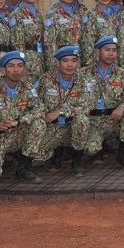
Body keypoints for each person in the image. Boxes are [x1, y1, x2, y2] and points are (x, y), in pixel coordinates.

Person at [0, 51, 44, 185]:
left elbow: (40, 109)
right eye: (11, 66)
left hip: (17, 135)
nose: (16, 70)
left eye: (20, 66)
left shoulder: (28, 89)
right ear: (3, 70)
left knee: (38, 124)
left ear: (24, 70)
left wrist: (20, 121)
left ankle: (24, 168)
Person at [36, 45, 91, 176]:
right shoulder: (46, 79)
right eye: (65, 61)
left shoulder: (83, 81)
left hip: (71, 128)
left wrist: (60, 112)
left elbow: (86, 106)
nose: (70, 64)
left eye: (73, 60)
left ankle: (77, 161)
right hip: (51, 128)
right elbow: (35, 102)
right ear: (58, 63)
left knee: (82, 120)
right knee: (36, 157)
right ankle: (56, 154)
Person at [81, 36, 124, 168]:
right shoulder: (83, 74)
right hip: (92, 121)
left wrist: (121, 107)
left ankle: (122, 156)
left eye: (114, 50)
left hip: (113, 119)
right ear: (98, 52)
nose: (111, 54)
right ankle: (94, 150)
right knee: (91, 148)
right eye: (107, 50)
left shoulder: (123, 75)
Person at [43, 0, 84, 72]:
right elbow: (49, 43)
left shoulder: (76, 13)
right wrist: (52, 68)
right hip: (61, 61)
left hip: (76, 59)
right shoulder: (53, 14)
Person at [9, 0, 45, 84]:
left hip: (39, 62)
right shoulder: (17, 15)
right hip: (27, 63)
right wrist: (21, 68)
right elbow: (17, 44)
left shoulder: (38, 15)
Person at [81, 0, 121, 72]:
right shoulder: (91, 15)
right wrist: (90, 64)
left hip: (112, 60)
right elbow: (88, 41)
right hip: (97, 61)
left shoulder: (114, 15)